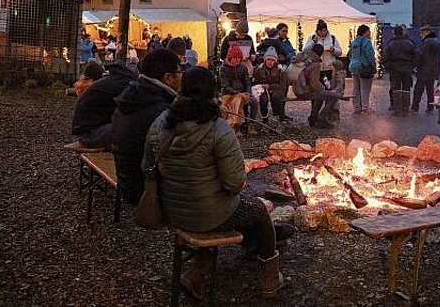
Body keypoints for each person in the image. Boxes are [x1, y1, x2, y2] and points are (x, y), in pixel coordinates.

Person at [143, 67, 285, 299]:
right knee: (258, 211)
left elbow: (146, 168)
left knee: (213, 204)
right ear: (213, 92)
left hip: (170, 210)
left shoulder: (160, 122)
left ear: (182, 89)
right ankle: (271, 277)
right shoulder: (219, 129)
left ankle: (195, 271)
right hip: (207, 214)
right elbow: (235, 183)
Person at [111, 49, 182, 205]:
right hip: (144, 189)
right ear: (168, 78)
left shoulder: (134, 96)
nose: (182, 76)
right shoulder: (159, 110)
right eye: (180, 71)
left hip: (126, 178)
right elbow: (176, 156)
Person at [71, 61, 137, 149]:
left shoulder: (113, 82)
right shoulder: (124, 85)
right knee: (132, 130)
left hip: (86, 130)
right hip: (90, 134)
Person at [292, 43, 336, 129]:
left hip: (297, 89)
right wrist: (324, 88)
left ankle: (313, 118)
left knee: (319, 95)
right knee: (333, 96)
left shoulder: (304, 57)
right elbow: (314, 84)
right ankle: (321, 119)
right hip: (304, 91)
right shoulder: (315, 64)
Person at [219, 45, 259, 132]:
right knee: (237, 101)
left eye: (239, 58)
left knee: (254, 102)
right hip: (230, 94)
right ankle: (236, 126)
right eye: (235, 57)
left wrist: (248, 93)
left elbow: (247, 82)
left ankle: (251, 124)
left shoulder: (243, 68)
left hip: (243, 93)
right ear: (230, 58)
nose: (237, 60)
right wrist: (238, 93)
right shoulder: (223, 69)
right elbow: (225, 86)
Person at [383, 25, 416, 116]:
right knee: (406, 89)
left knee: (396, 89)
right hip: (407, 69)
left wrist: (389, 67)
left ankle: (397, 109)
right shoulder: (409, 43)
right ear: (402, 32)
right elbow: (415, 56)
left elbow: (386, 57)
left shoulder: (390, 44)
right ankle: (405, 108)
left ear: (394, 33)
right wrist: (412, 66)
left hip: (394, 70)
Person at [252, 47, 289, 123]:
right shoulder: (259, 69)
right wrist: (260, 86)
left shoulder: (281, 70)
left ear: (275, 61)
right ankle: (265, 120)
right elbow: (255, 83)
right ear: (265, 60)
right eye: (268, 59)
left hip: (277, 89)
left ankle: (279, 118)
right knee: (263, 99)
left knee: (276, 97)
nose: (270, 62)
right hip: (263, 89)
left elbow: (283, 86)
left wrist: (270, 86)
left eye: (272, 60)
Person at [411, 25, 440, 115]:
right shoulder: (437, 41)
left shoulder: (427, 42)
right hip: (432, 70)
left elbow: (422, 56)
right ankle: (430, 107)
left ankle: (415, 108)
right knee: (430, 90)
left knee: (418, 90)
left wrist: (416, 65)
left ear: (427, 32)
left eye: (422, 32)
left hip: (424, 69)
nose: (421, 35)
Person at [348, 24, 376, 115]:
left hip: (353, 66)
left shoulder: (353, 42)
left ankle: (356, 107)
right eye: (368, 31)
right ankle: (365, 108)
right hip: (364, 67)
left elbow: (350, 54)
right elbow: (370, 56)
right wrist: (373, 66)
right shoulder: (366, 42)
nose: (369, 33)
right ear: (364, 32)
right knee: (365, 88)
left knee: (356, 88)